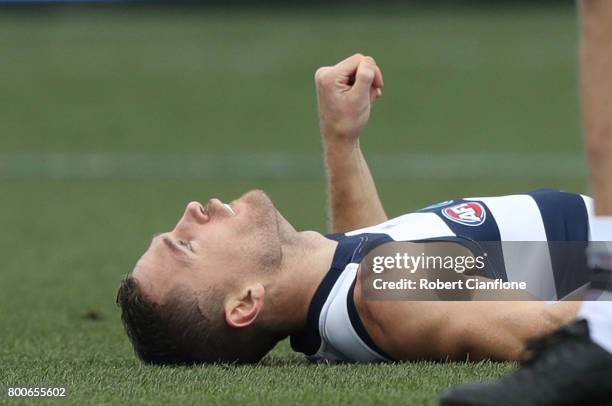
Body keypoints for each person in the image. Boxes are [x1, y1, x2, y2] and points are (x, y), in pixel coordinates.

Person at [117, 54, 592, 365]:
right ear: (244, 303)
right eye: (185, 245)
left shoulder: (348, 299)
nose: (189, 212)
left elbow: (371, 254)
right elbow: (558, 331)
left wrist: (341, 140)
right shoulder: (388, 286)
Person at [439, 1, 612, 405]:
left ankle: (605, 331)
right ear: (255, 300)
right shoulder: (377, 283)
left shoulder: (364, 269)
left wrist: (341, 138)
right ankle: (605, 331)